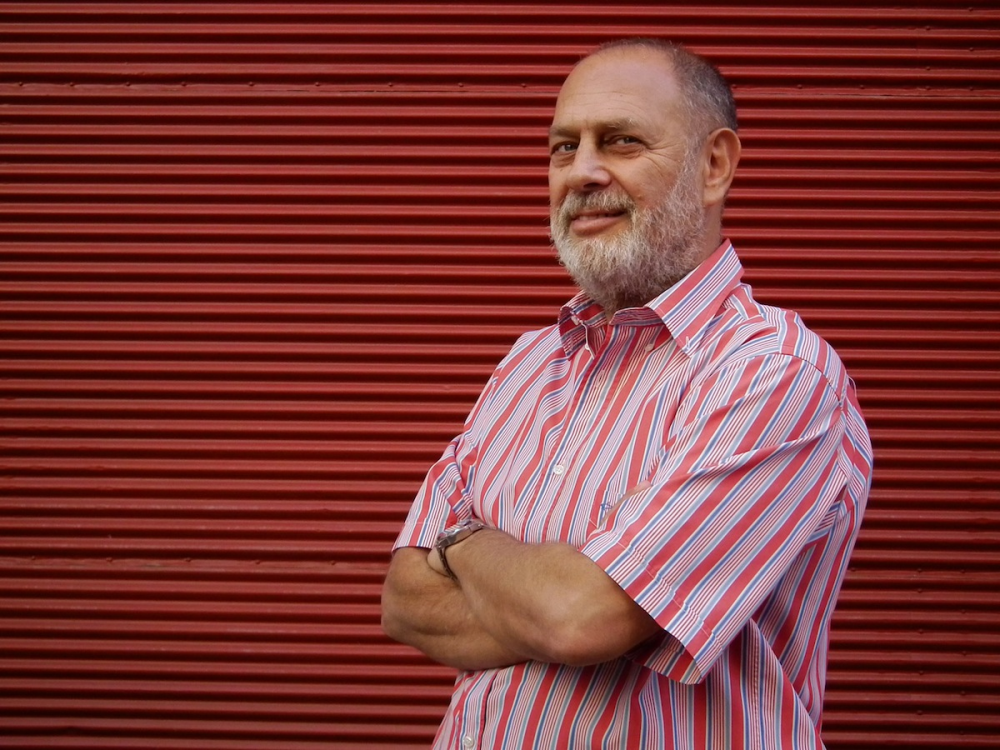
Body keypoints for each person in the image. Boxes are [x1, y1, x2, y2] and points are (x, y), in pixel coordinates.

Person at [381, 37, 873, 750]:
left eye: (620, 141)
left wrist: (460, 544)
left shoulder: (774, 374)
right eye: (563, 147)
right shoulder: (528, 364)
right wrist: (548, 599)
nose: (581, 172)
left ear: (714, 165)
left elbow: (584, 619)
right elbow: (404, 601)